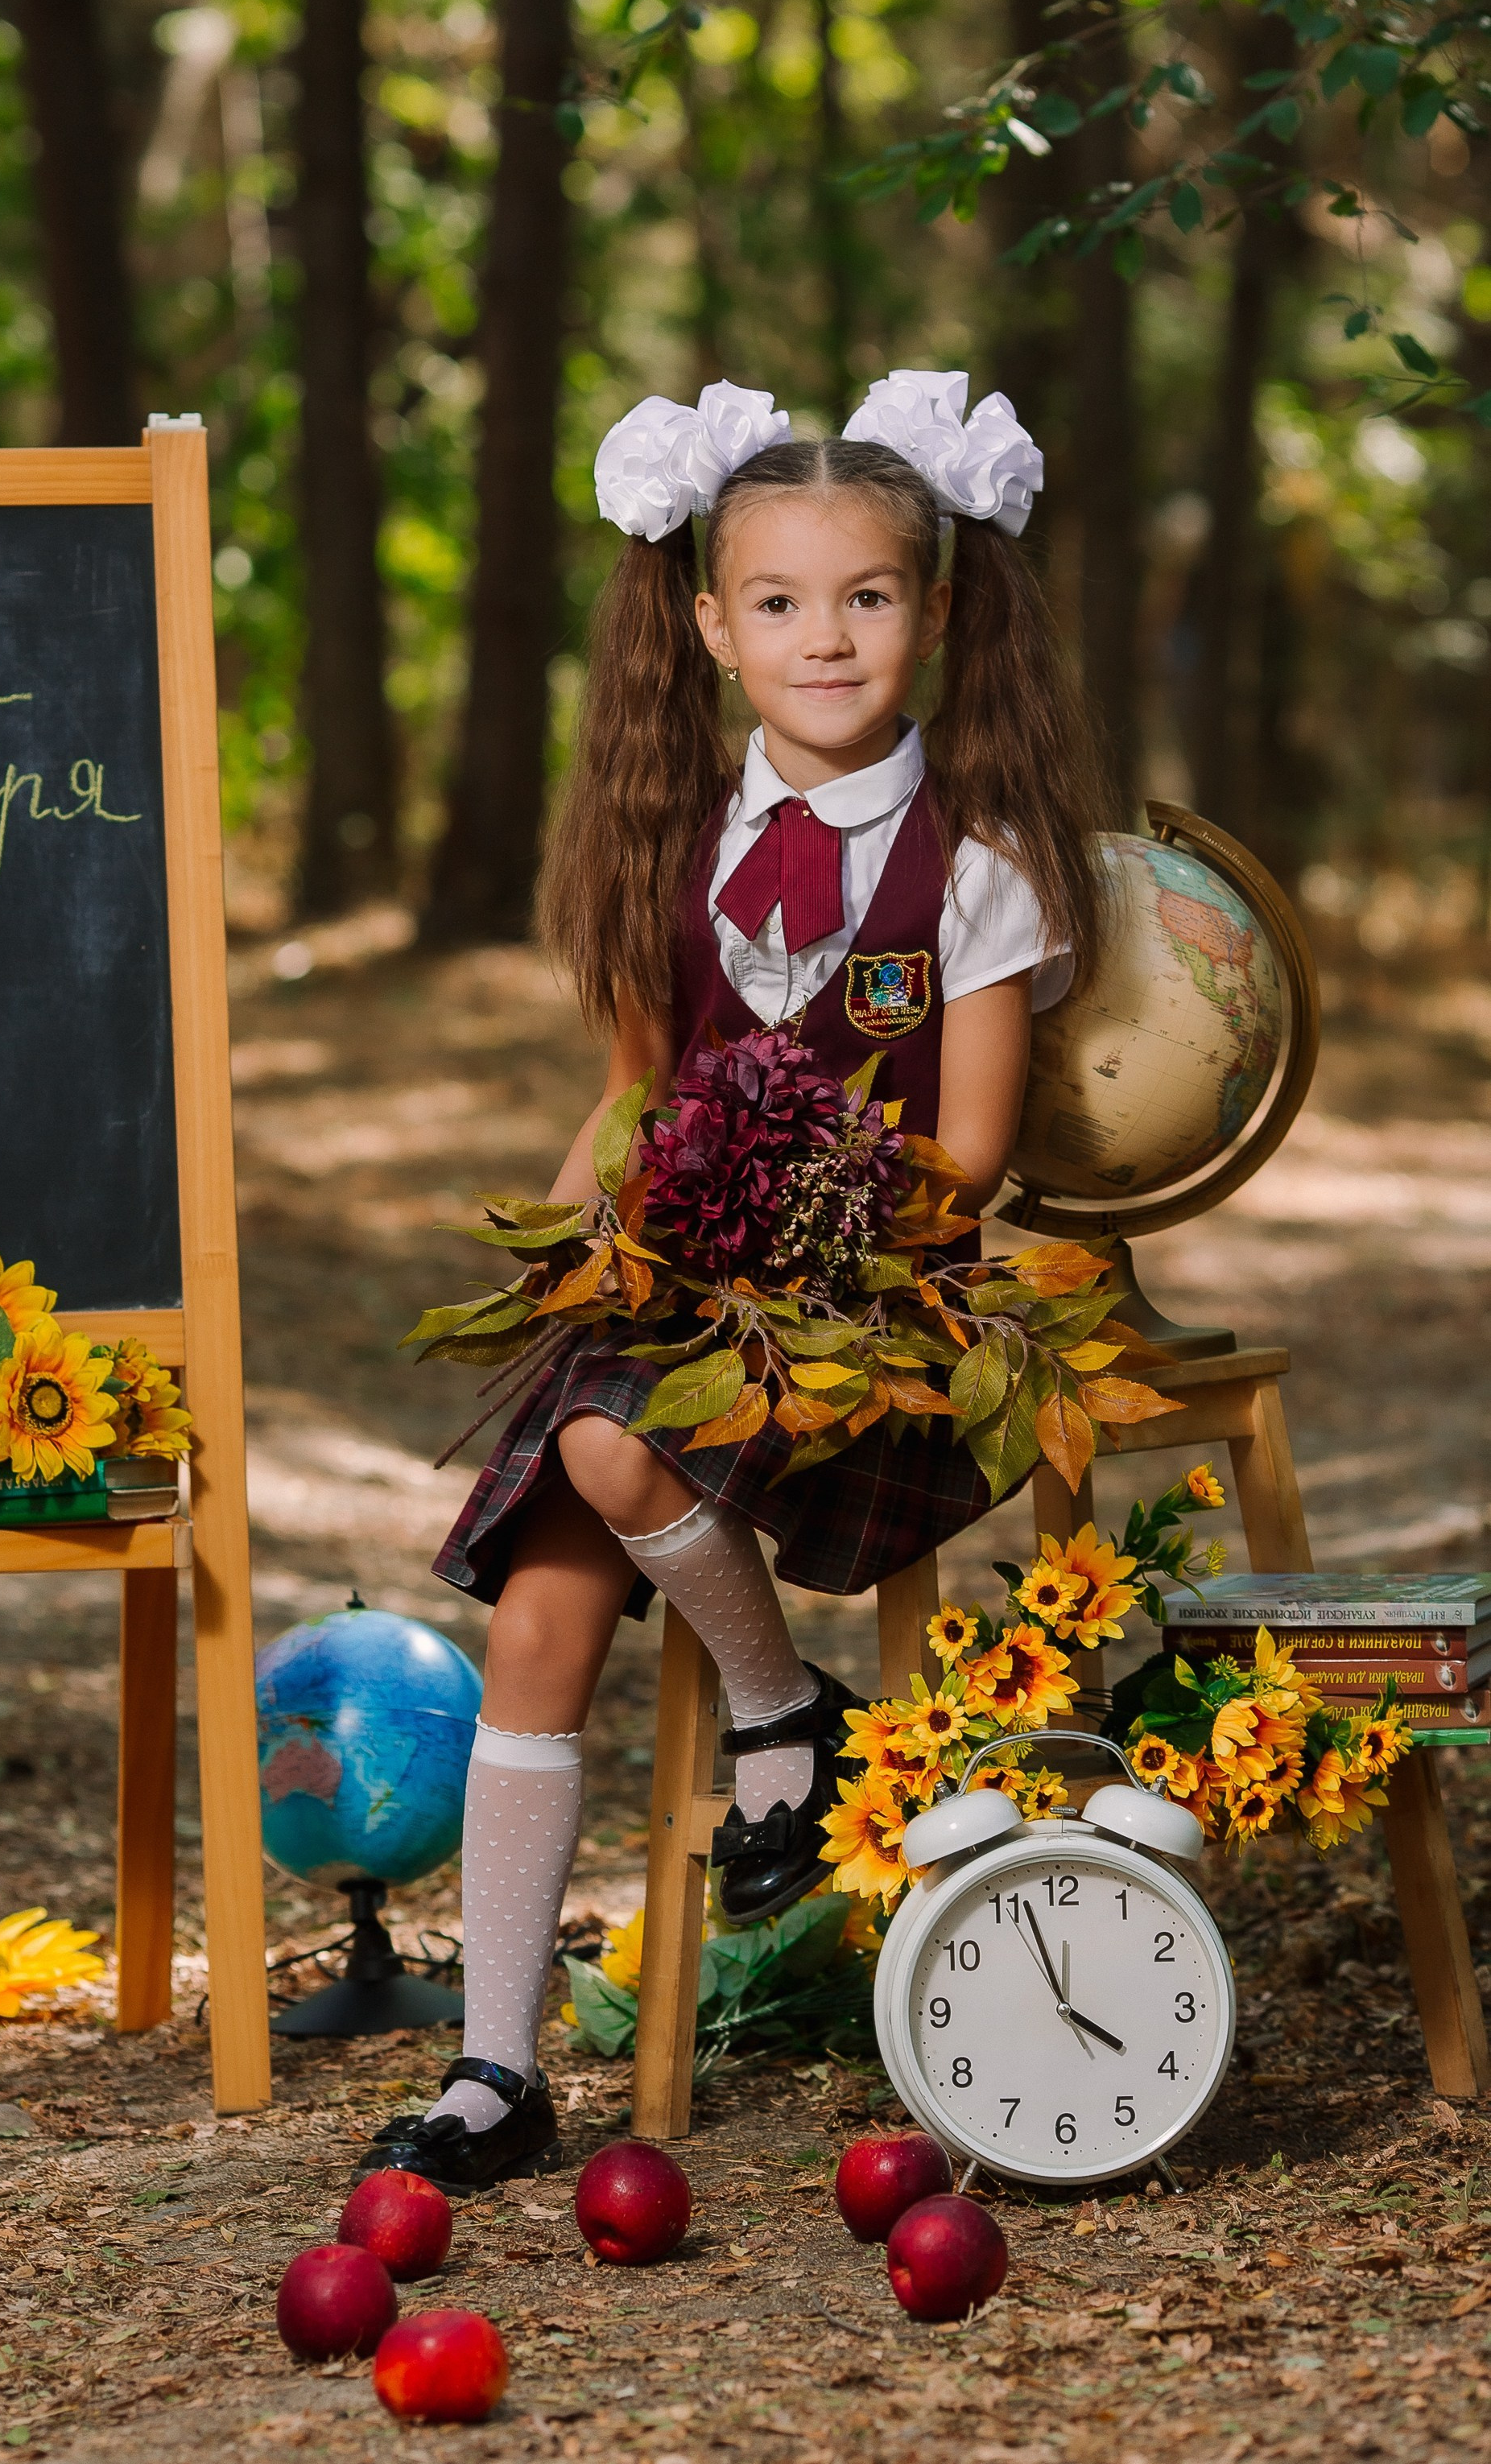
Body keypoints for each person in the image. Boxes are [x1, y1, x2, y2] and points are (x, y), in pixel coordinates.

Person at [363, 370, 1115, 2192]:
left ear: (933, 612)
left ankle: (780, 1708)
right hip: (680, 1296)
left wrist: (793, 1219)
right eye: (774, 600)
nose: (822, 635)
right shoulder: (676, 842)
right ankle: (492, 2061)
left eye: (863, 595)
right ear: (708, 626)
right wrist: (561, 1264)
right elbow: (632, 1093)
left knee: (618, 1456)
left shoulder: (979, 871)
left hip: (865, 1309)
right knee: (538, 1600)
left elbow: (964, 1159)